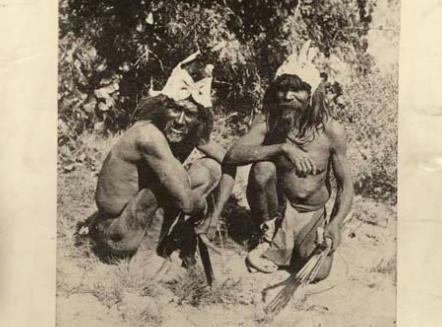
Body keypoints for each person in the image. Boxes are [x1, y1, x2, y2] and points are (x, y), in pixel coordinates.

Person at [214, 41, 353, 279]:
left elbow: (346, 185)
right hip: (278, 212)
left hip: (311, 213)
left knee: (317, 273)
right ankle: (266, 235)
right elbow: (233, 155)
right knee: (263, 167)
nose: (287, 96)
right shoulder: (269, 121)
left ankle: (297, 245)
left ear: (312, 94)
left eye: (297, 89)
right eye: (282, 89)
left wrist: (336, 224)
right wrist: (282, 148)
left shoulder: (331, 131)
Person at [90, 52, 231, 265]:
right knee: (171, 186)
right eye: (175, 109)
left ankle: (160, 245)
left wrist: (214, 217)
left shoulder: (184, 132)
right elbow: (185, 202)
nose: (180, 121)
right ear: (163, 106)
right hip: (116, 233)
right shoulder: (149, 136)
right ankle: (145, 263)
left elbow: (229, 161)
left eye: (189, 114)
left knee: (210, 168)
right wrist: (202, 209)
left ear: (198, 118)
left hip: (130, 222)